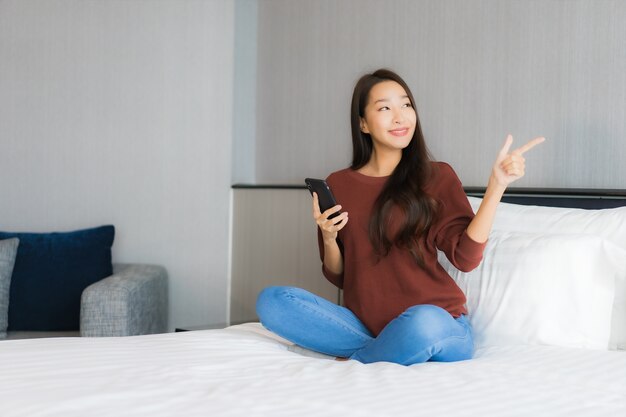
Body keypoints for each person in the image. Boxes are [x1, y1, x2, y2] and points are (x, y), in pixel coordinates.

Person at [256, 69, 544, 365]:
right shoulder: (339, 184)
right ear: (363, 124)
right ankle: (384, 349)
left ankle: (360, 361)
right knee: (273, 301)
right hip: (366, 325)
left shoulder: (436, 176)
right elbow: (339, 276)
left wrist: (496, 186)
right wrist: (329, 237)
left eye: (406, 105)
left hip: (439, 325)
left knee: (424, 321)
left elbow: (466, 258)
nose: (400, 116)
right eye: (385, 108)